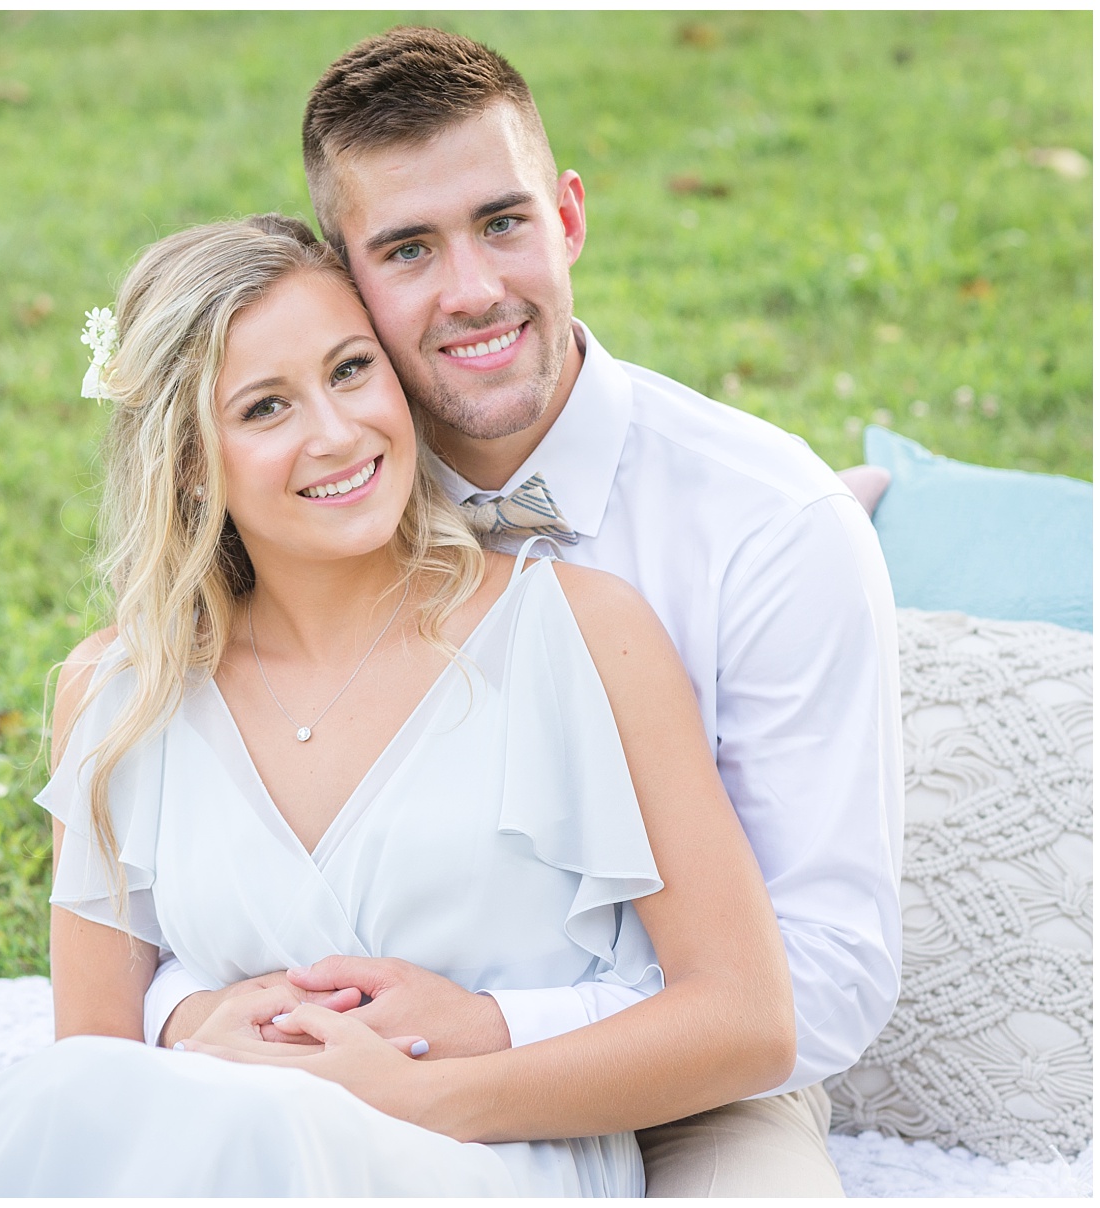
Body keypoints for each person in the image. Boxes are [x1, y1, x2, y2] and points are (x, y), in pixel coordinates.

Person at [143, 27, 904, 1198]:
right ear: (347, 279)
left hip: (685, 1077)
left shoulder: (769, 525)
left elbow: (826, 979)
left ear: (569, 218)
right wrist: (202, 1016)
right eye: (408, 249)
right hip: (320, 1070)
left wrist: (487, 1031)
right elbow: (178, 848)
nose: (473, 291)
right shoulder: (317, 476)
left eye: (503, 222)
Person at [0, 214, 795, 1196]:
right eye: (265, 407)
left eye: (352, 369)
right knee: (52, 1101)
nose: (335, 433)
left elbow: (747, 1022)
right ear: (189, 460)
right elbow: (96, 1067)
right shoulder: (120, 692)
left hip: (490, 1159)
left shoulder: (582, 633)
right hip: (224, 1155)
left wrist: (423, 1090)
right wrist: (192, 1025)